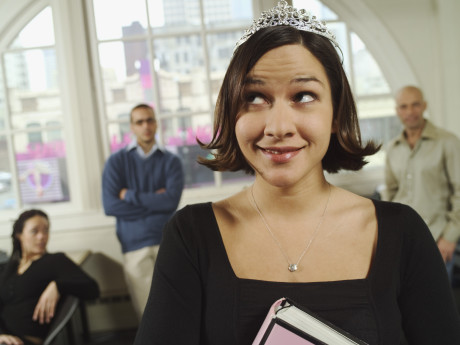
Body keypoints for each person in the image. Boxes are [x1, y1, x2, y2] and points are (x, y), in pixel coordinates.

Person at [134, 1, 460, 344]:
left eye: (303, 95)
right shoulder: (191, 237)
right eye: (255, 98)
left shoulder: (403, 232)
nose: (279, 126)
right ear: (232, 113)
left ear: (336, 114)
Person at [102, 103, 184, 320]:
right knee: (149, 316)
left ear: (156, 123)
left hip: (167, 243)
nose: (145, 126)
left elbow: (170, 202)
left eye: (149, 120)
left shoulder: (171, 162)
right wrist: (155, 200)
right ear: (132, 127)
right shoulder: (116, 162)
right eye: (139, 122)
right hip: (134, 246)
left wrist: (129, 195)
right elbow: (110, 206)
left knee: (177, 311)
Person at [385, 85, 460, 277]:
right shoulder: (393, 148)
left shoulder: (448, 142)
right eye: (403, 106)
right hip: (404, 240)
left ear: (424, 106)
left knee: (438, 303)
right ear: (397, 111)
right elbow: (391, 194)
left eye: (415, 105)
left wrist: (450, 237)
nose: (410, 112)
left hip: (438, 238)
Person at [0, 209, 99, 345]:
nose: (42, 236)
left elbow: (93, 289)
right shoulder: (7, 268)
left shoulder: (55, 261)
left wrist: (58, 285)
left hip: (24, 341)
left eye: (46, 230)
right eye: (35, 231)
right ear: (19, 235)